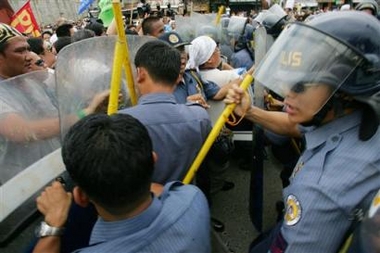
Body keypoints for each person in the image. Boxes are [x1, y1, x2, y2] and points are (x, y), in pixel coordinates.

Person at [225, 11, 380, 252]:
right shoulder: (353, 116)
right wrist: (250, 112)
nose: (287, 94)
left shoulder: (318, 190)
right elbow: (294, 126)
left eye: (301, 84)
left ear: (344, 90)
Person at [32, 113, 211, 253]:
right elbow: (161, 190)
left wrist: (53, 224)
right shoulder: (192, 198)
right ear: (153, 160)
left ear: (81, 197)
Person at [0, 23, 109, 184]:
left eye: (27, 48)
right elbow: (21, 131)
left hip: (59, 172)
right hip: (24, 189)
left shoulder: (30, 81)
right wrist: (84, 113)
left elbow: (57, 115)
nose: (29, 55)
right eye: (20, 51)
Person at [119, 39, 212, 184]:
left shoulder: (120, 123)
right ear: (177, 76)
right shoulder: (200, 117)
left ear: (140, 73)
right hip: (185, 197)